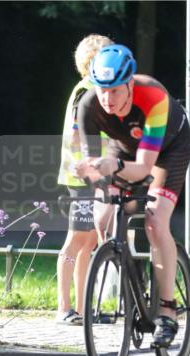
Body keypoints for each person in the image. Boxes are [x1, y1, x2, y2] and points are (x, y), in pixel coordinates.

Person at [74, 44, 190, 347]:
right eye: (101, 90)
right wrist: (88, 169)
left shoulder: (153, 97)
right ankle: (129, 276)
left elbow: (144, 168)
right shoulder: (88, 105)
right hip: (123, 149)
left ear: (129, 84)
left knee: (154, 221)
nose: (107, 99)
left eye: (114, 91)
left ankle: (167, 309)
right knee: (102, 218)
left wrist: (113, 166)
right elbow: (94, 163)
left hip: (167, 151)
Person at [55, 34, 113, 325]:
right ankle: (63, 308)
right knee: (77, 239)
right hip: (81, 177)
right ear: (92, 62)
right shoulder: (85, 91)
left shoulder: (97, 89)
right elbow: (77, 134)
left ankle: (83, 309)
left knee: (90, 241)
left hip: (96, 174)